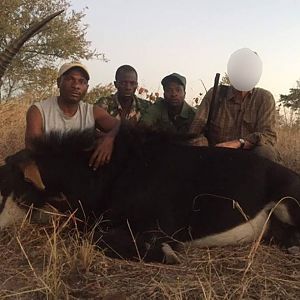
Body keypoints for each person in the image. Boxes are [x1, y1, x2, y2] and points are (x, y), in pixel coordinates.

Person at [25, 62, 120, 169]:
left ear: (87, 87)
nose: (76, 86)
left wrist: (109, 139)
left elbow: (122, 126)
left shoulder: (92, 111)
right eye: (70, 79)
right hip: (49, 172)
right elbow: (33, 147)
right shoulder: (38, 111)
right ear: (58, 82)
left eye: (82, 82)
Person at [189, 84, 279, 161]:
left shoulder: (264, 98)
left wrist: (239, 143)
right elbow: (196, 130)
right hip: (216, 156)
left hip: (249, 157)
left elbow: (268, 136)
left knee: (265, 152)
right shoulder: (215, 93)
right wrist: (205, 151)